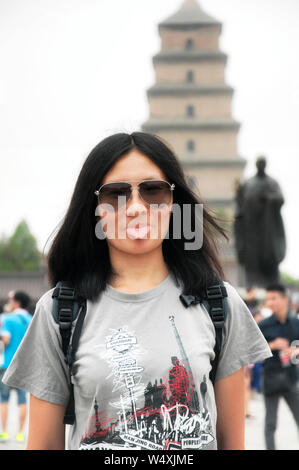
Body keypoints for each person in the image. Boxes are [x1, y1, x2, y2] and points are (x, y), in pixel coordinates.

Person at [2, 132, 271, 450]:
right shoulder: (59, 310)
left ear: (173, 202)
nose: (135, 208)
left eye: (153, 190)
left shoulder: (220, 304)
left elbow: (231, 444)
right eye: (116, 194)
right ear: (96, 208)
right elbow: (43, 445)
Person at [234, 156, 286, 288]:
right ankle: (252, 285)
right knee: (251, 258)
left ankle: (272, 285)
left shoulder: (272, 182)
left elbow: (280, 198)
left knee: (269, 257)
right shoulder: (248, 183)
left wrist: (267, 198)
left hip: (268, 229)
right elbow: (240, 203)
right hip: (250, 228)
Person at [258, 283, 299, 450]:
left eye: (273, 298)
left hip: (291, 378)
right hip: (270, 378)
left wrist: (296, 350)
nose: (270, 302)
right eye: (268, 299)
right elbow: (253, 352)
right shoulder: (263, 325)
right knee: (270, 425)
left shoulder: (295, 323)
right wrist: (272, 345)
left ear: (284, 299)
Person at [0, 291, 32, 443]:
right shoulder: (31, 319)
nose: (9, 302)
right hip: (25, 365)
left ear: (17, 302)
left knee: (4, 399)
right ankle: (20, 433)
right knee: (22, 400)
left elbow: (5, 340)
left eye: (11, 299)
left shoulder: (8, 319)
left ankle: (4, 432)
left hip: (7, 364)